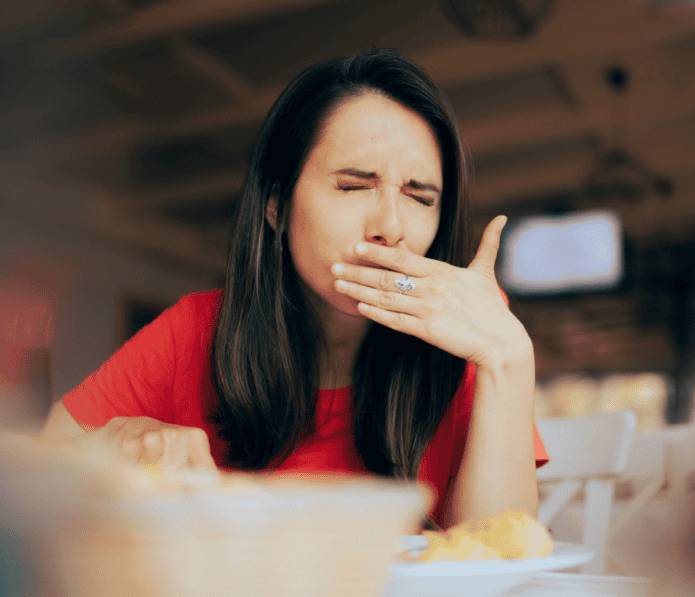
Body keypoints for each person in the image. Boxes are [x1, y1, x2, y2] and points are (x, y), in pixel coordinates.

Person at [40, 49, 547, 528]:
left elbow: (498, 553)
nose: (390, 227)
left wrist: (507, 358)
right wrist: (123, 441)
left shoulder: (472, 332)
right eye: (353, 186)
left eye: (420, 197)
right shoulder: (197, 330)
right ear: (277, 206)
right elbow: (41, 463)